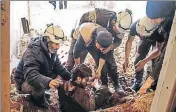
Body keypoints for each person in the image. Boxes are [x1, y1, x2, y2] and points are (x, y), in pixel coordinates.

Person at [14, 24, 71, 108]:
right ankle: (36, 101)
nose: (58, 47)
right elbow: (30, 76)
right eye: (56, 44)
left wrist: (70, 77)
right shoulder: (33, 52)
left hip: (38, 74)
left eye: (59, 44)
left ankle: (41, 93)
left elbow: (58, 66)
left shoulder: (51, 49)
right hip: (24, 81)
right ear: (48, 40)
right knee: (39, 85)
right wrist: (48, 82)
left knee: (55, 75)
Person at [65, 8, 133, 71]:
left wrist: (110, 47)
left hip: (104, 41)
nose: (118, 32)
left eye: (120, 32)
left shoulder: (122, 28)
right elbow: (83, 23)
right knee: (76, 56)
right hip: (86, 32)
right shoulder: (100, 16)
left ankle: (110, 77)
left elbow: (118, 41)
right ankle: (68, 74)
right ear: (114, 22)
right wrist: (84, 40)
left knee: (108, 59)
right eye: (117, 30)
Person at [72, 22, 125, 95]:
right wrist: (78, 67)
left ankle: (115, 84)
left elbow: (103, 56)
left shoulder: (107, 38)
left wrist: (99, 69)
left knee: (109, 62)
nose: (101, 50)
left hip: (97, 40)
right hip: (82, 33)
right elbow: (76, 53)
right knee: (78, 66)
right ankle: (104, 85)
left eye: (103, 49)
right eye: (100, 47)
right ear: (96, 41)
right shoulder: (85, 37)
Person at [139, 1, 176, 94]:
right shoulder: (158, 25)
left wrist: (149, 80)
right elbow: (158, 50)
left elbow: (166, 55)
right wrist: (144, 61)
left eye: (154, 19)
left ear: (162, 17)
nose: (152, 21)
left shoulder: (171, 23)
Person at [58, 64, 126, 112]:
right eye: (86, 80)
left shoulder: (62, 84)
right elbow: (91, 108)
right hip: (85, 108)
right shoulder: (80, 93)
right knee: (104, 89)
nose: (87, 82)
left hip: (68, 108)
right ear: (78, 79)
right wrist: (91, 91)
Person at [123, 16, 164, 91]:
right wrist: (126, 59)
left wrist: (145, 61)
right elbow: (129, 42)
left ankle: (151, 84)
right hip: (146, 40)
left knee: (155, 62)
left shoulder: (159, 32)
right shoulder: (135, 26)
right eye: (139, 34)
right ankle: (137, 81)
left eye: (143, 35)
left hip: (156, 42)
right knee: (139, 58)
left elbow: (158, 50)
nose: (140, 36)